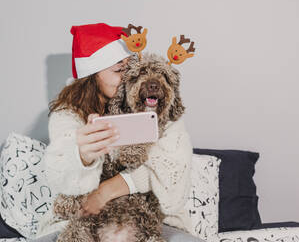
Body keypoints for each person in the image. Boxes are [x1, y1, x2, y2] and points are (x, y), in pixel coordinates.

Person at [37, 23, 196, 241]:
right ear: (92, 76)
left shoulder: (159, 108)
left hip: (152, 219)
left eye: (132, 69)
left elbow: (169, 171)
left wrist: (105, 192)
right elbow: (60, 175)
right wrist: (82, 155)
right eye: (120, 71)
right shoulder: (68, 115)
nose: (129, 78)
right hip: (80, 217)